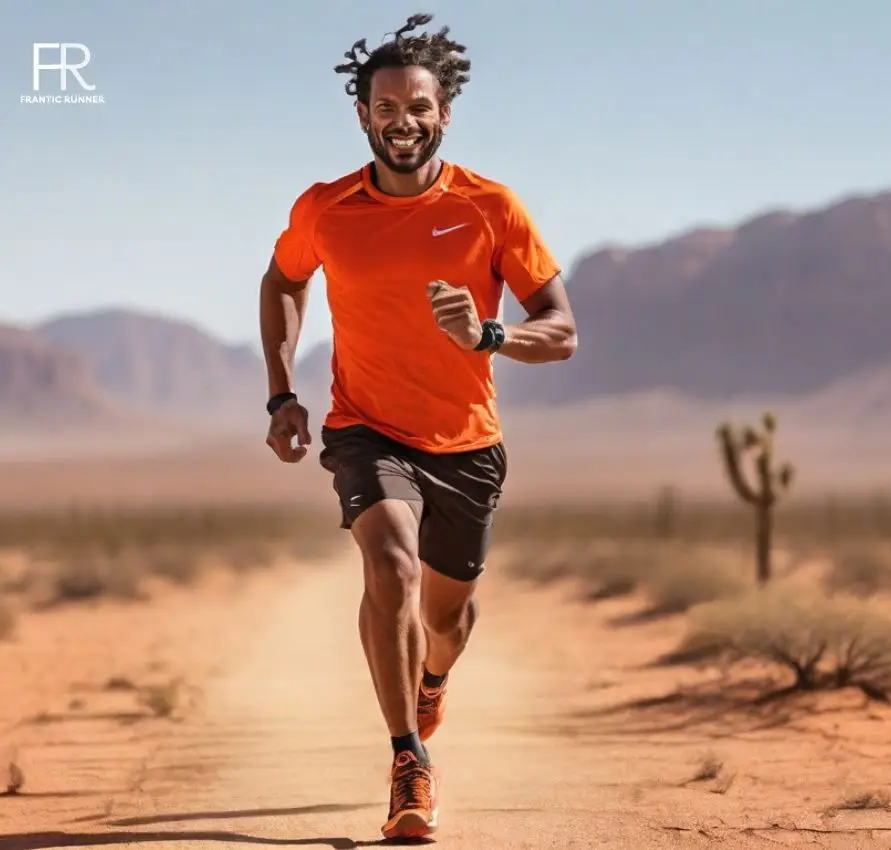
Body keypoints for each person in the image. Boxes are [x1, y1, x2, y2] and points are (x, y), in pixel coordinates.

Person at [257, 12, 577, 841]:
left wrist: (489, 335)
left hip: (468, 443)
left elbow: (563, 330)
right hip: (365, 428)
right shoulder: (326, 208)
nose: (404, 121)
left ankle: (432, 678)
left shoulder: (490, 207)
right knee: (390, 564)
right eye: (386, 107)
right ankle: (409, 761)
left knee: (447, 619)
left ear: (446, 112)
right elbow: (284, 281)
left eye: (419, 107)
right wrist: (281, 393)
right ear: (362, 114)